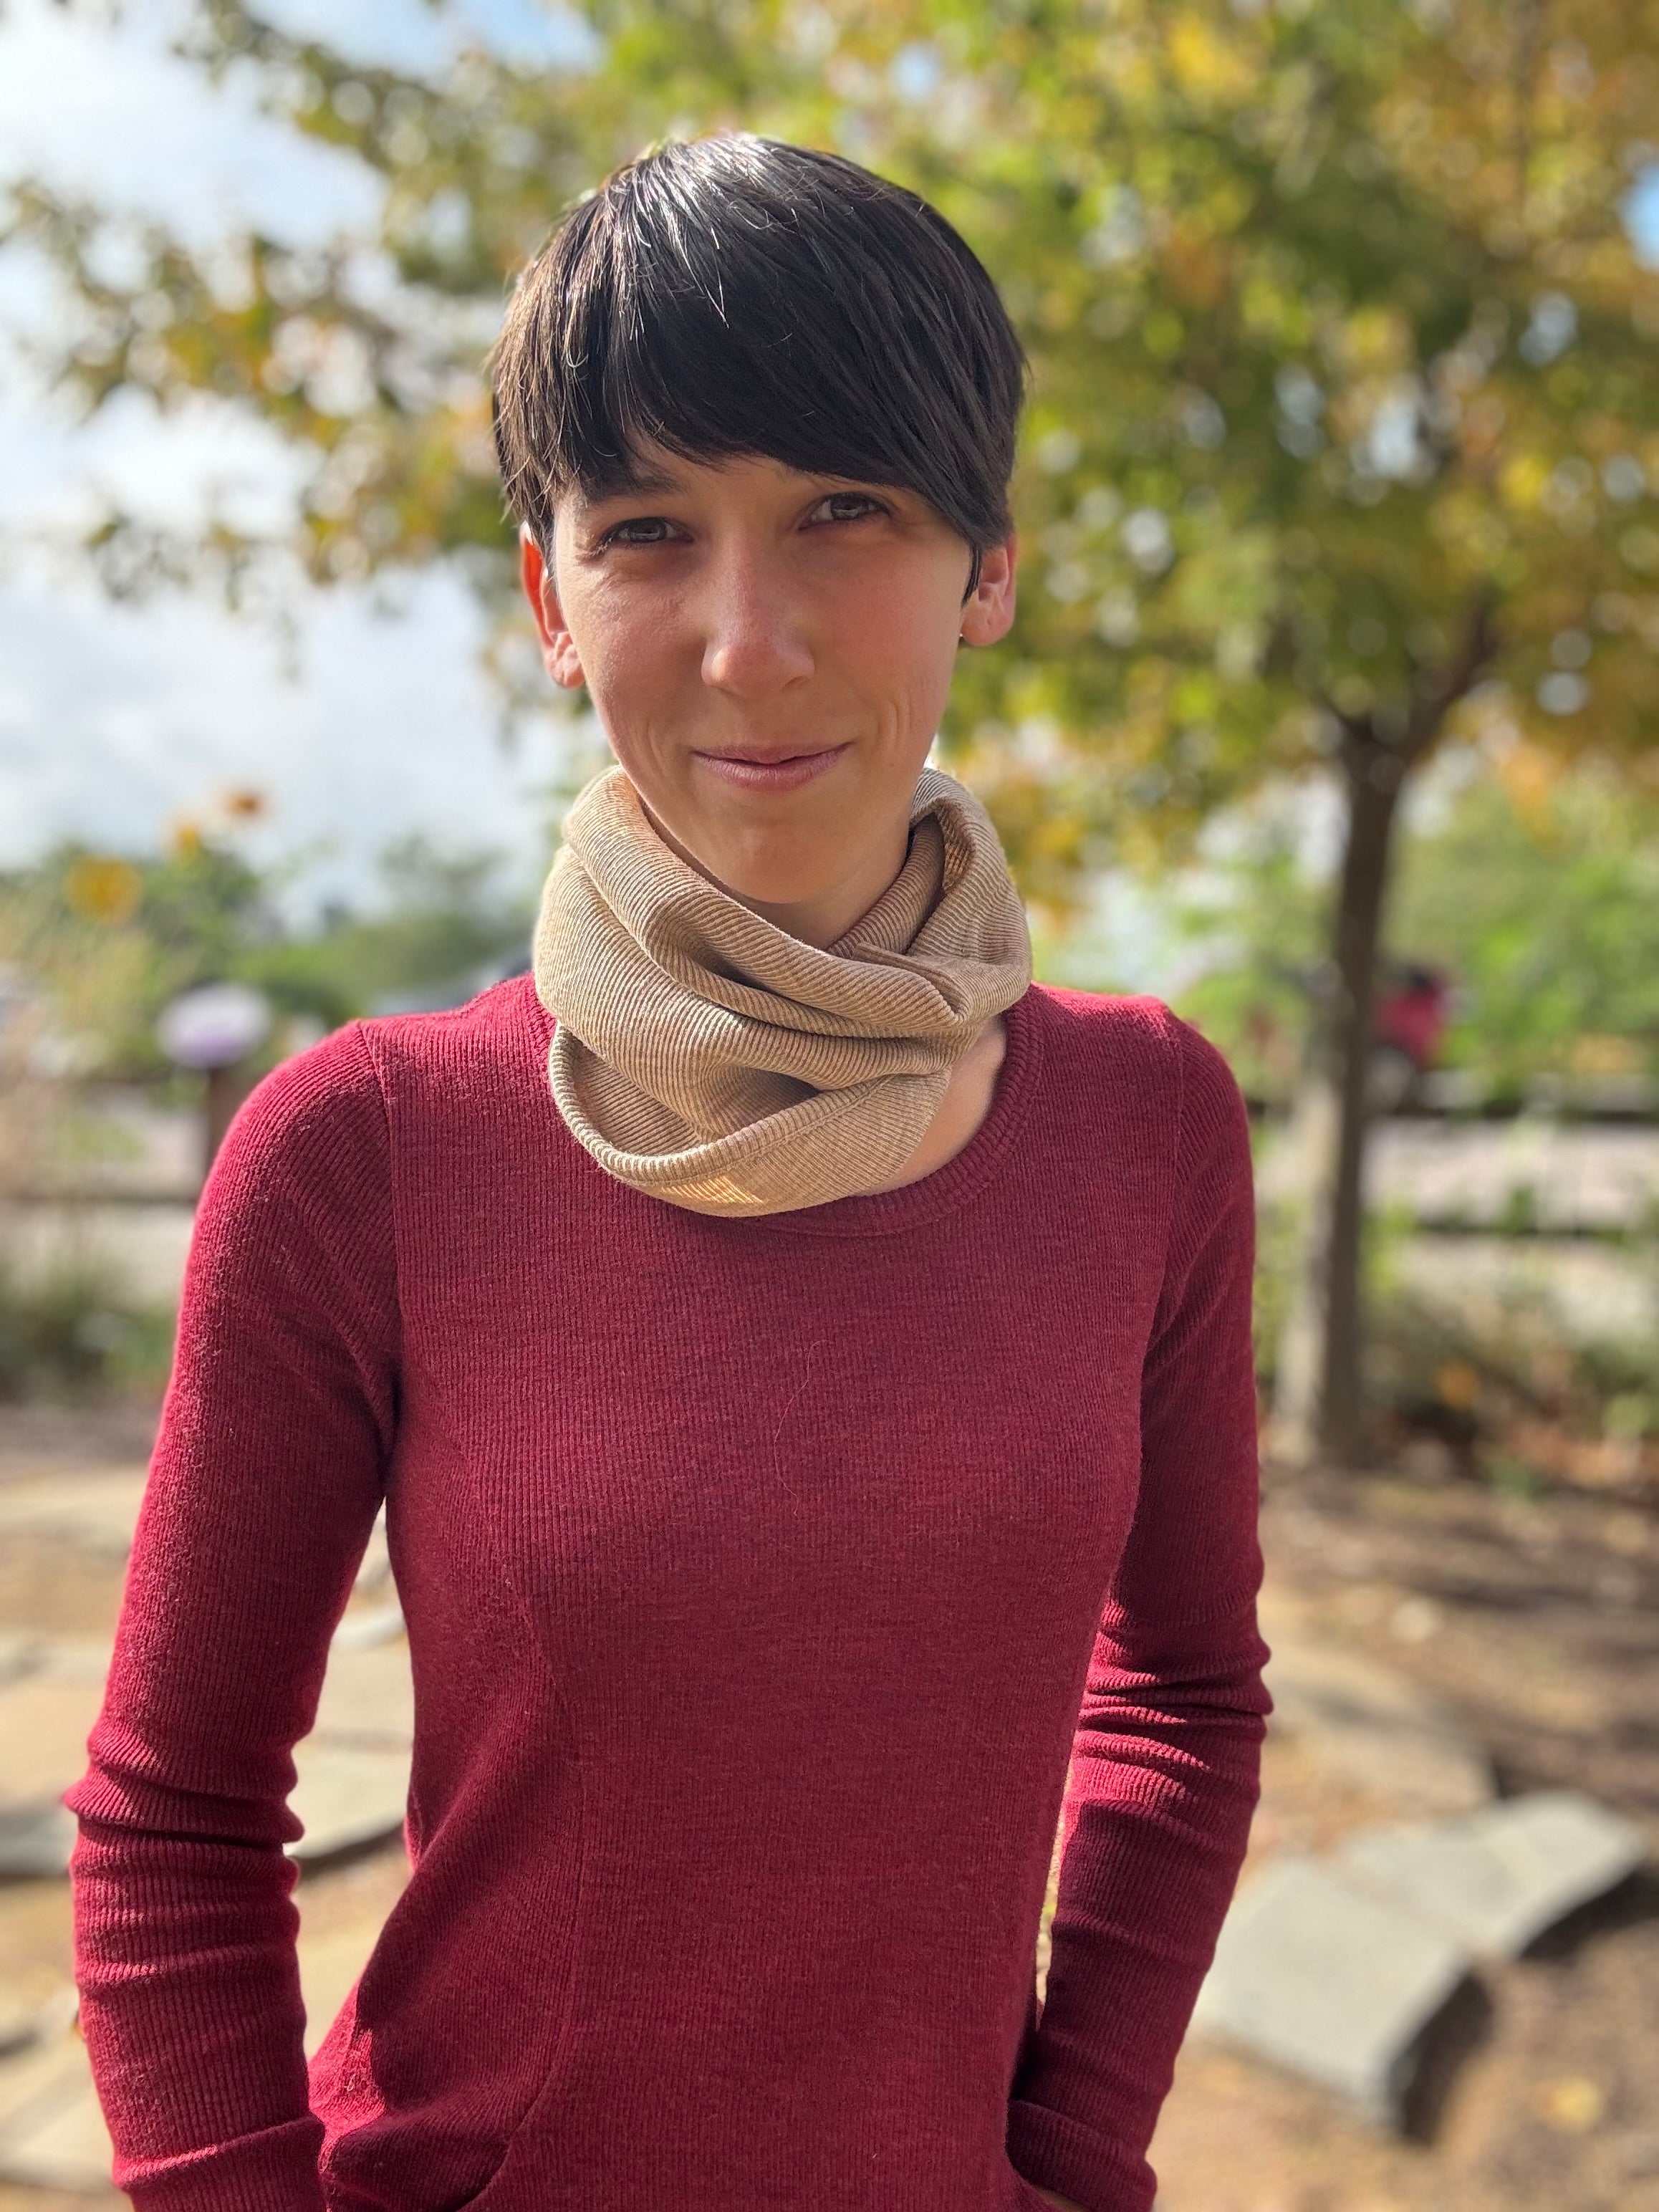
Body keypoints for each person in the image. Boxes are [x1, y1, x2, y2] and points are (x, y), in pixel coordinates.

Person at [67, 135, 1269, 2212]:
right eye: (646, 532)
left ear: (989, 561)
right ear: (551, 597)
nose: (746, 639)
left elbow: (1178, 1690)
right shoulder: (364, 1152)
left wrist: (1071, 2157)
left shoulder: (1142, 1124)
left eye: (840, 513)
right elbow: (173, 1816)